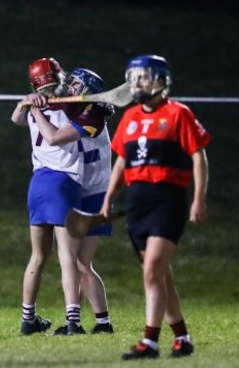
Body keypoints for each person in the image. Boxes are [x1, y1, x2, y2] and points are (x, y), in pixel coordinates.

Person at [101, 55, 210, 359]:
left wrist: (199, 199)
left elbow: (198, 157)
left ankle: (149, 342)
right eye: (134, 76)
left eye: (144, 76)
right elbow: (122, 161)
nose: (137, 82)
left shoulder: (179, 114)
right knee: (159, 275)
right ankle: (182, 337)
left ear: (161, 80)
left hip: (168, 198)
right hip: (137, 201)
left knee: (152, 270)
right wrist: (109, 196)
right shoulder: (130, 117)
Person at [11, 58, 108, 336]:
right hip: (63, 183)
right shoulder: (73, 107)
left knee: (38, 256)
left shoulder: (36, 107)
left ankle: (28, 319)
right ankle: (73, 321)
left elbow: (16, 118)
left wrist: (27, 104)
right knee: (68, 257)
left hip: (37, 184)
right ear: (59, 76)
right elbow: (55, 136)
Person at [51, 69, 115, 335]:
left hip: (94, 194)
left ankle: (91, 322)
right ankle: (94, 322)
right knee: (80, 262)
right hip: (92, 191)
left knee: (79, 263)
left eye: (76, 84)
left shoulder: (92, 115)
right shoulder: (83, 109)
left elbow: (56, 136)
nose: (71, 87)